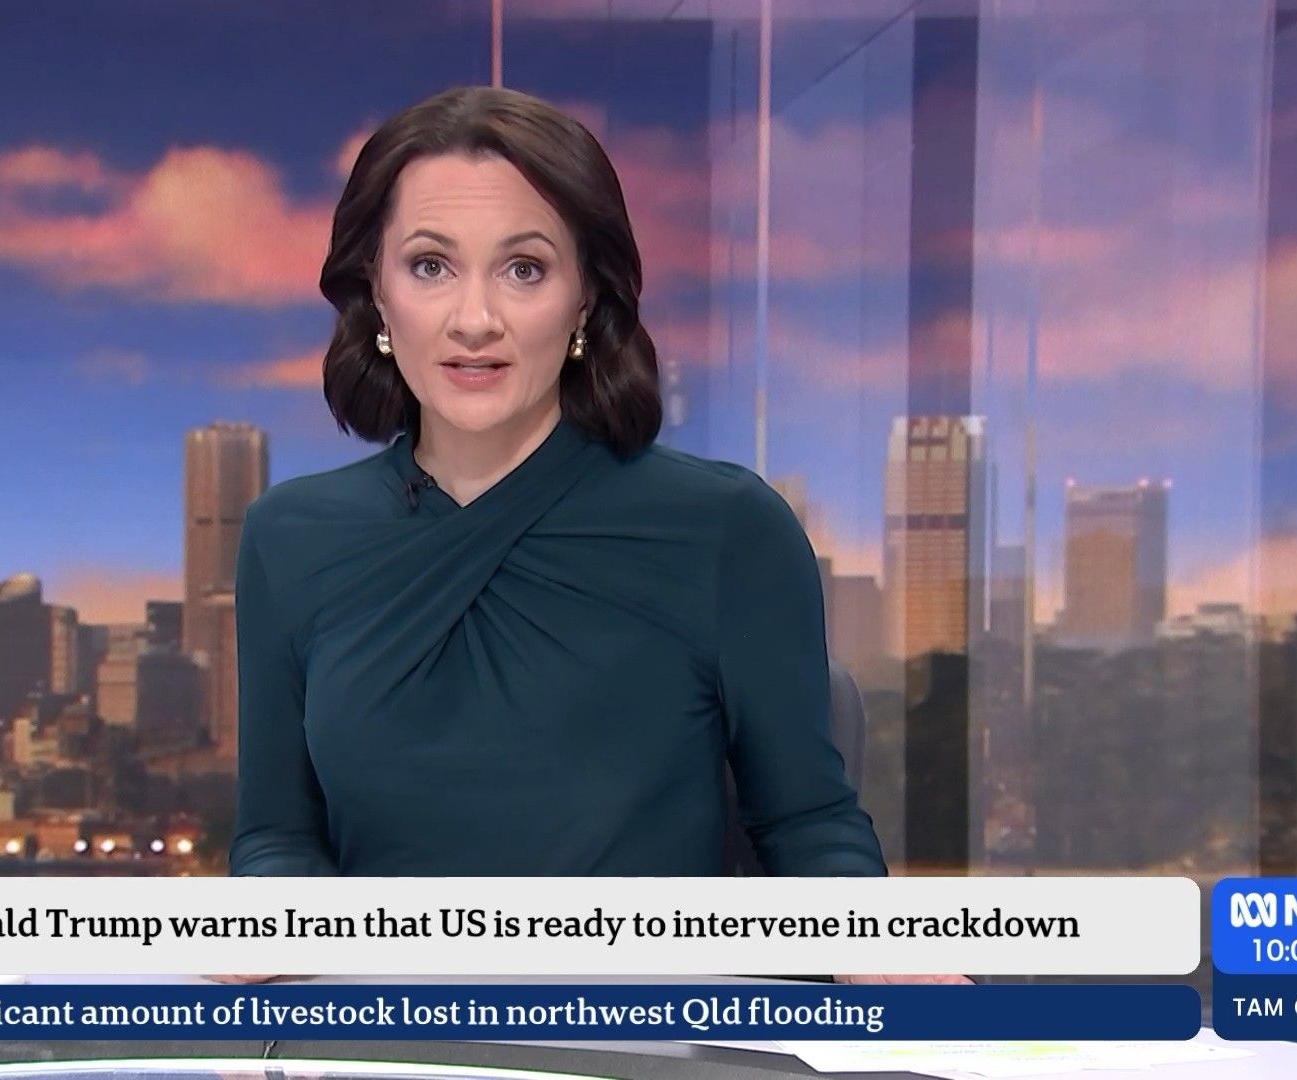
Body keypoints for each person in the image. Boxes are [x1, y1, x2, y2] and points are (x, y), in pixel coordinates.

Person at [219, 86, 950, 985]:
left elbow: (807, 824)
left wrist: (874, 948)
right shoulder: (290, 539)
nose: (474, 319)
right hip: (388, 1029)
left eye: (524, 269)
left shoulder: (726, 529)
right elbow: (276, 838)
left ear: (585, 299)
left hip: (644, 1032)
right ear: (376, 292)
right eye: (430, 266)